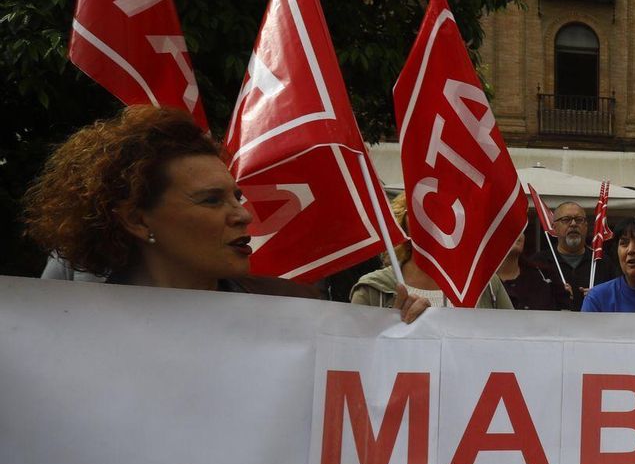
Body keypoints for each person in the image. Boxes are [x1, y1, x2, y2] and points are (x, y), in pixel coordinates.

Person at [21, 105, 353, 303]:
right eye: (212, 200)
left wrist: (398, 332)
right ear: (137, 220)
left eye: (236, 197)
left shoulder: (291, 309)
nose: (243, 215)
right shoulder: (71, 311)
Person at [350, 194, 515, 311]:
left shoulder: (488, 286)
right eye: (421, 210)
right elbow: (354, 353)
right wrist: (394, 328)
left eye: (447, 212)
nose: (434, 219)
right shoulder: (372, 290)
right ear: (405, 222)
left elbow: (513, 346)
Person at [545, 200, 615, 310]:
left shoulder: (602, 262)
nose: (573, 224)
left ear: (586, 226)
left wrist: (599, 296)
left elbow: (615, 300)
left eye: (579, 220)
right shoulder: (539, 263)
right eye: (566, 220)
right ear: (554, 227)